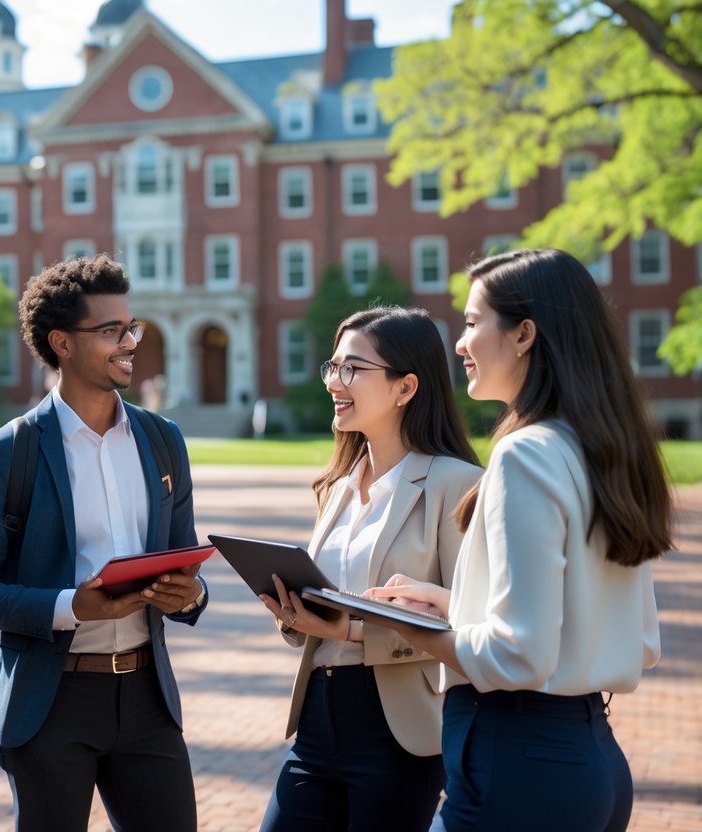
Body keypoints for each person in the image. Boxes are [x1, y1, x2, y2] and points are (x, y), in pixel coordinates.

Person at [366, 249, 670, 832]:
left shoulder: (525, 454)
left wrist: (416, 630)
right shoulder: (605, 447)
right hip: (592, 759)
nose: (459, 342)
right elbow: (629, 635)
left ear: (524, 333)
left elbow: (517, 655)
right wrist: (455, 604)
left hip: (516, 763)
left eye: (473, 322)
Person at [0, 255, 207, 831]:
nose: (130, 342)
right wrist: (71, 607)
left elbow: (184, 563)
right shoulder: (10, 449)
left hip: (147, 699)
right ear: (61, 343)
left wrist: (187, 596)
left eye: (130, 327)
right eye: (111, 331)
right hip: (49, 701)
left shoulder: (163, 440)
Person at [255, 306, 482, 832]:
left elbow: (468, 623)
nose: (336, 381)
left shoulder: (459, 484)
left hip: (399, 733)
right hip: (316, 721)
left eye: (353, 368)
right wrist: (294, 614)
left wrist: (352, 631)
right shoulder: (335, 487)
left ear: (405, 389)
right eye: (333, 367)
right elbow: (325, 606)